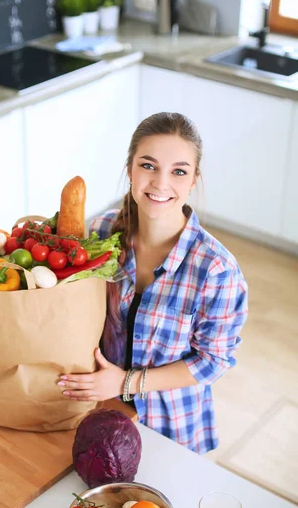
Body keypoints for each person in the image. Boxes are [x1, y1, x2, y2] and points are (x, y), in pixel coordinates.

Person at [58, 112, 248, 454]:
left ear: (193, 180)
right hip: (95, 410)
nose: (161, 183)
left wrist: (126, 381)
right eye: (148, 166)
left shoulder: (216, 270)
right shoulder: (100, 234)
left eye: (178, 171)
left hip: (169, 429)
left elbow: (212, 361)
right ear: (130, 169)